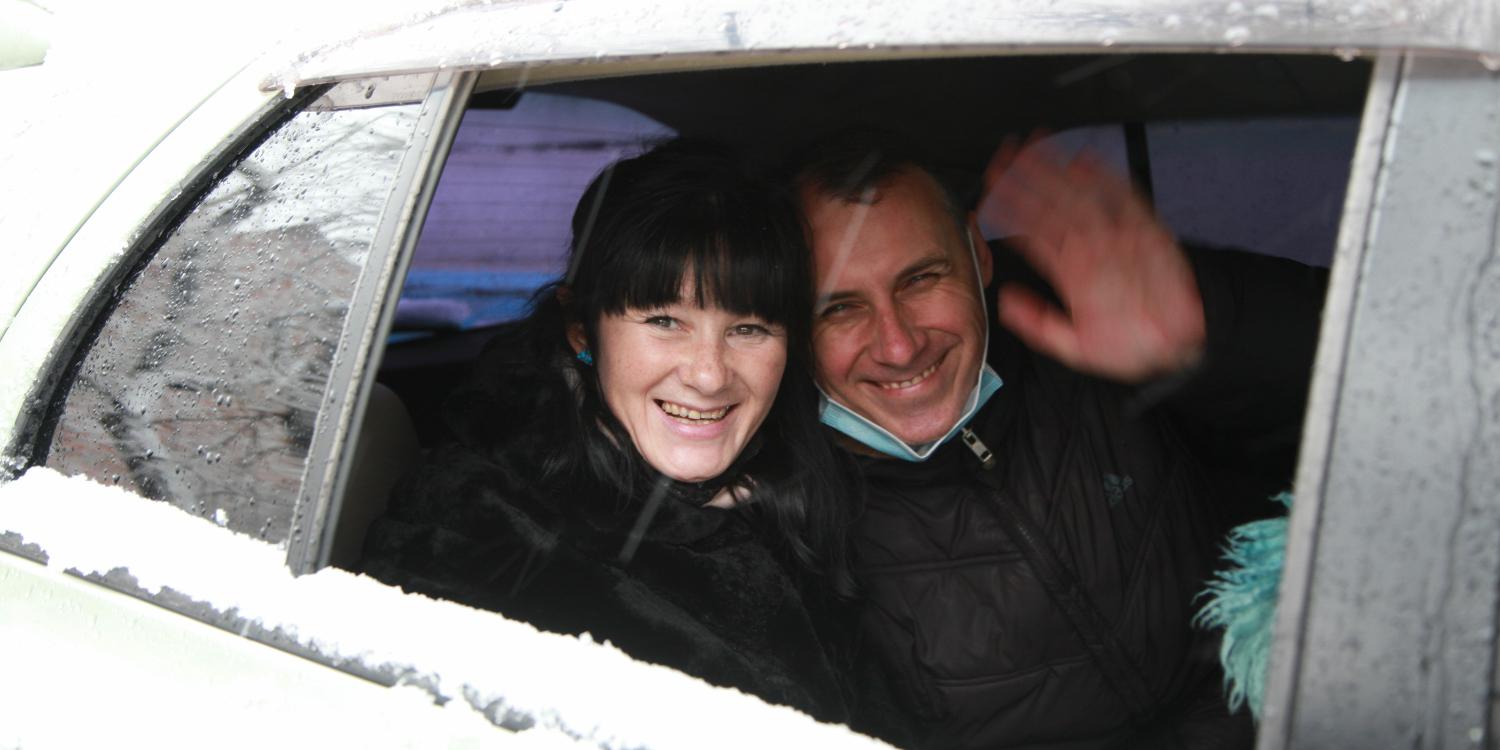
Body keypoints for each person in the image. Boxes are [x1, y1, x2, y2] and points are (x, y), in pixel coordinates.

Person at [789, 132, 1328, 749]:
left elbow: (1378, 388)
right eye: (839, 309)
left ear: (978, 254)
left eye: (921, 279)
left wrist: (1209, 333)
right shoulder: (785, 511)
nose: (899, 345)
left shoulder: (1096, 308)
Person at [360, 139, 861, 722]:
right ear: (582, 330)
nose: (708, 375)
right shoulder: (473, 525)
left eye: (748, 328)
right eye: (664, 321)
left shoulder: (811, 493)